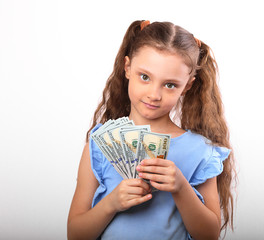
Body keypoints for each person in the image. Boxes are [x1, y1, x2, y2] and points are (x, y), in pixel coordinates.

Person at [67, 20, 236, 240]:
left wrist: (181, 188)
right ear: (127, 68)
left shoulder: (201, 151)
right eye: (144, 77)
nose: (154, 94)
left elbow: (209, 236)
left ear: (188, 86)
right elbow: (75, 234)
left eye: (170, 84)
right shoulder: (100, 143)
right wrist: (111, 203)